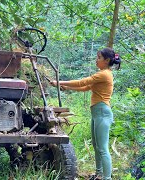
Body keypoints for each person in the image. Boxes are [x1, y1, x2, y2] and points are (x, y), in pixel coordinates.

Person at [50, 47, 121, 180]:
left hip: (102, 112)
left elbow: (83, 82)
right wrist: (67, 87)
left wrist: (60, 82)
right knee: (97, 146)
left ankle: (107, 177)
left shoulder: (104, 74)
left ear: (107, 60)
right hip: (97, 113)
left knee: (103, 148)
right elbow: (85, 87)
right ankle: (99, 174)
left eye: (99, 58)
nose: (96, 60)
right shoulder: (102, 74)